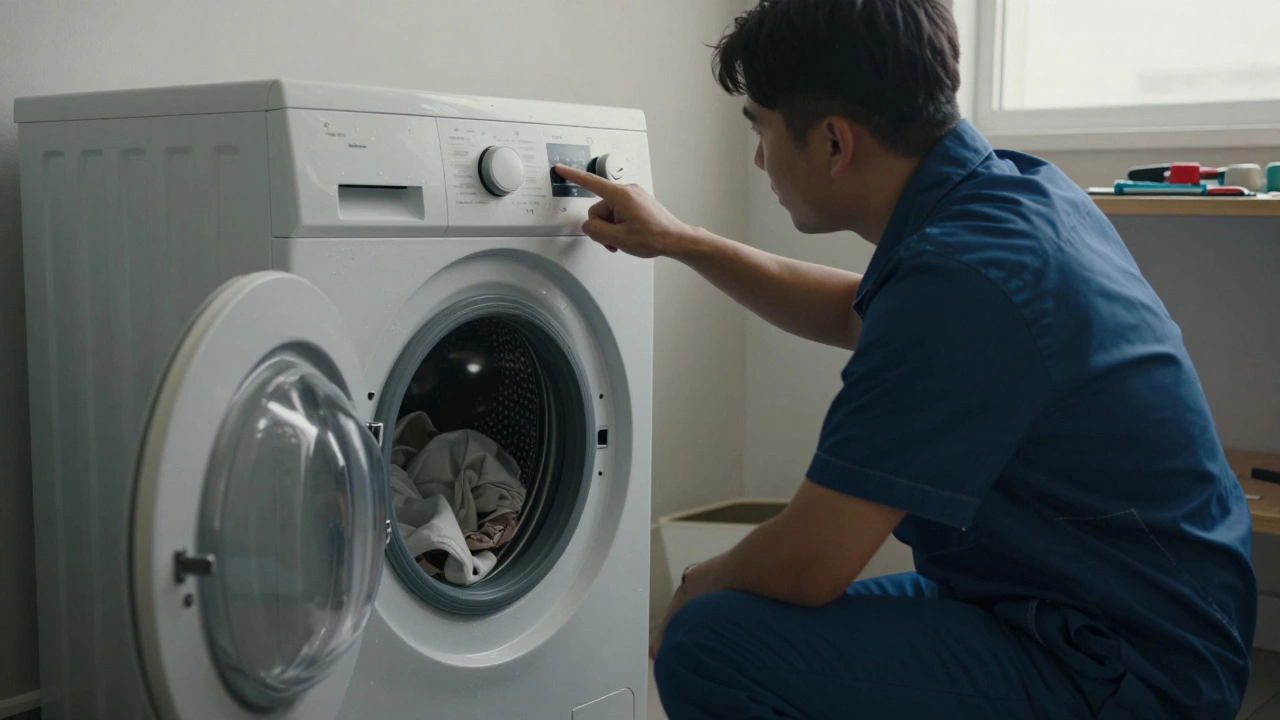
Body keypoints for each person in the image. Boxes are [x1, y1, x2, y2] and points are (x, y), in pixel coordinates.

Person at [553, 0, 1256, 717]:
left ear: (834, 142)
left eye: (762, 131)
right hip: (1084, 604)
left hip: (1123, 668)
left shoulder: (964, 282)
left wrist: (701, 579)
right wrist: (683, 241)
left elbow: (809, 563)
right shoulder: (1011, 195)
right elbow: (854, 311)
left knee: (711, 640)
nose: (760, 158)